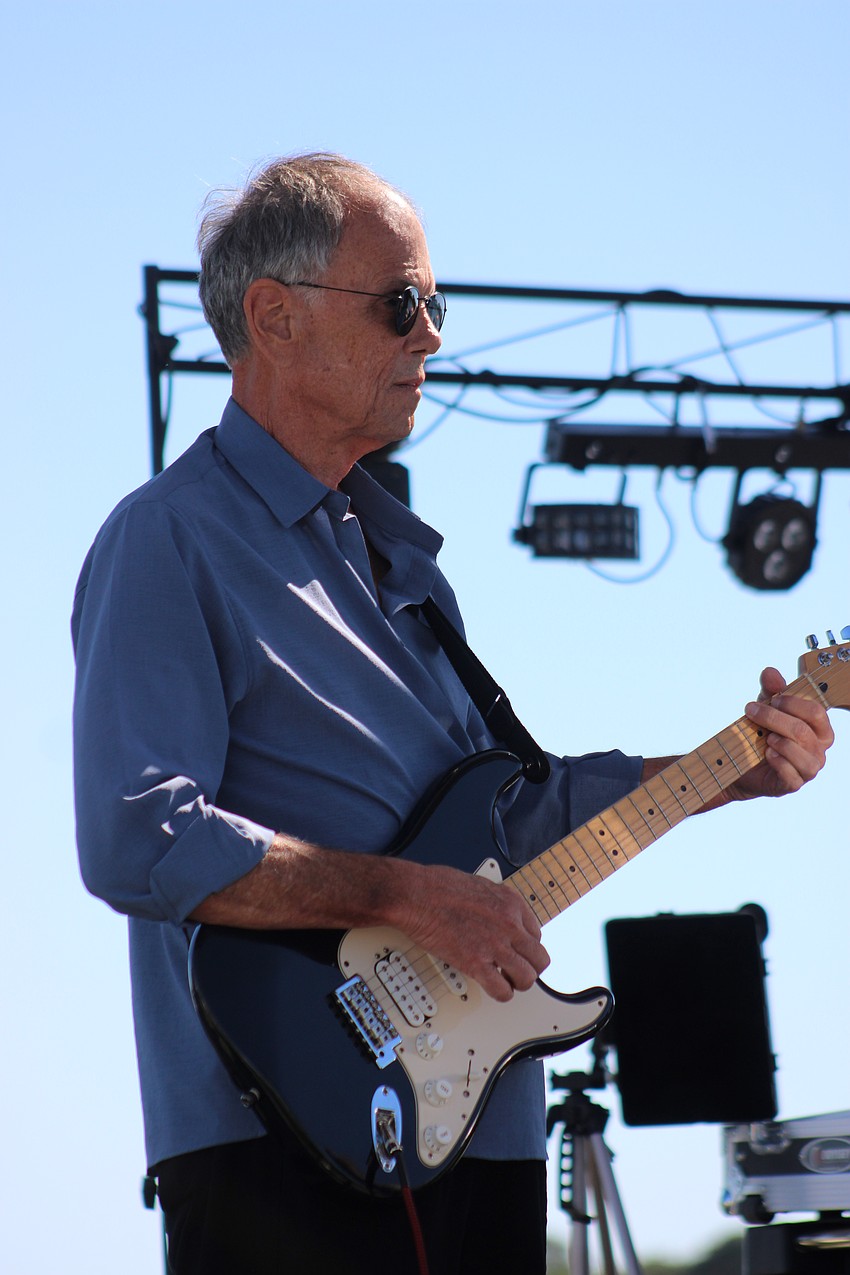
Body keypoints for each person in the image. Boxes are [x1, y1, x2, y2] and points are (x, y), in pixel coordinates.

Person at [71, 153, 833, 1275]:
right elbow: (139, 836)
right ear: (273, 318)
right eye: (400, 304)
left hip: (483, 1131)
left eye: (436, 304)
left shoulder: (405, 569)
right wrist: (404, 896)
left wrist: (730, 769)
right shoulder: (167, 538)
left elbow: (507, 825)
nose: (430, 335)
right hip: (285, 1135)